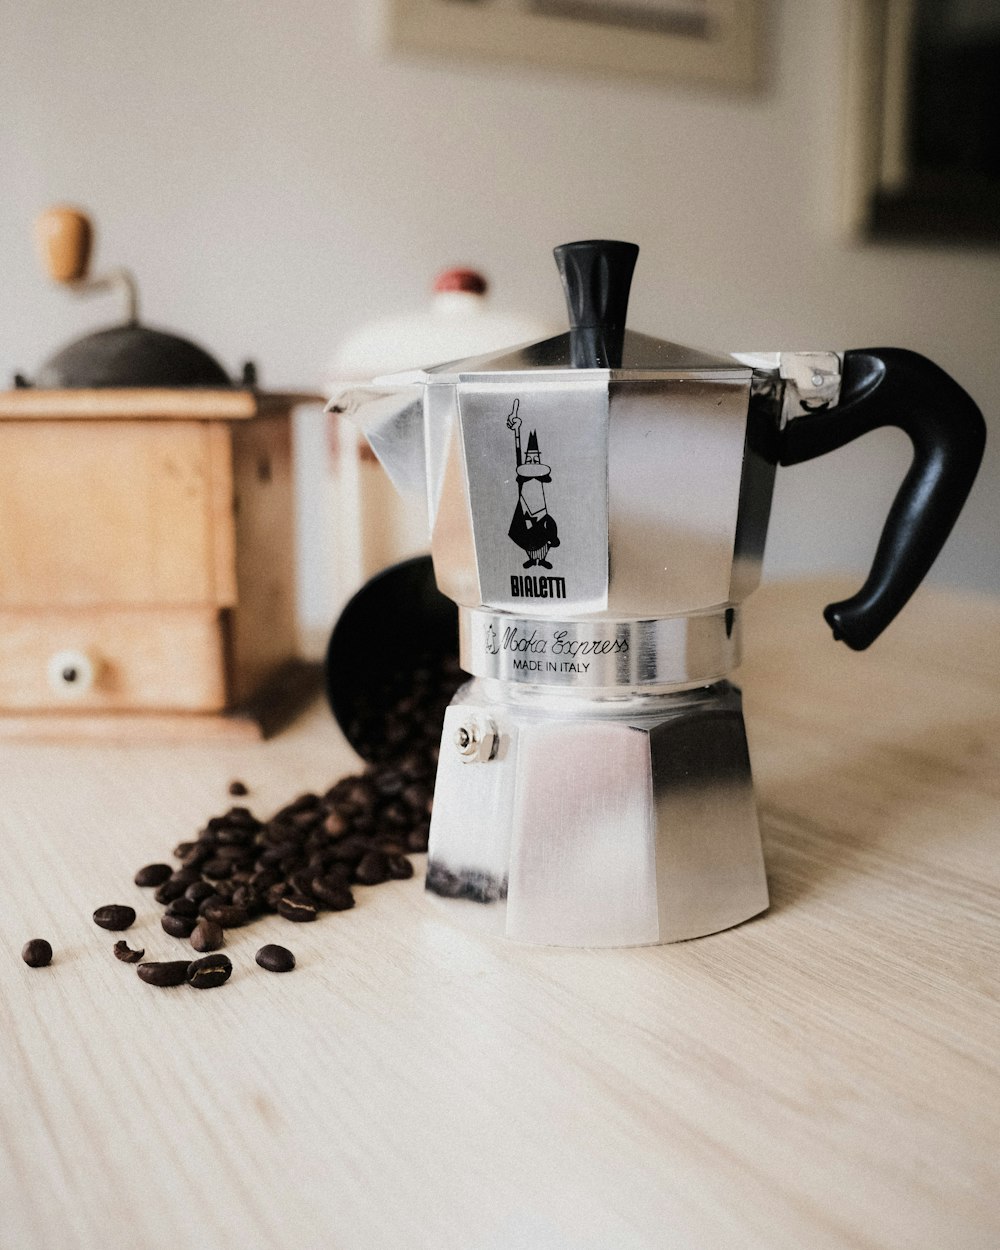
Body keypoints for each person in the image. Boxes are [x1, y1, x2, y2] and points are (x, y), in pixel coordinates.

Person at [506, 399, 560, 569]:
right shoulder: (523, 474)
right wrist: (516, 430)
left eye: (534, 458)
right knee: (525, 532)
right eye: (529, 458)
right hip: (525, 506)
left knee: (544, 531)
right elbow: (519, 475)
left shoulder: (542, 475)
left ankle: (542, 559)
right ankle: (531, 558)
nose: (532, 461)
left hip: (540, 507)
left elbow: (547, 478)